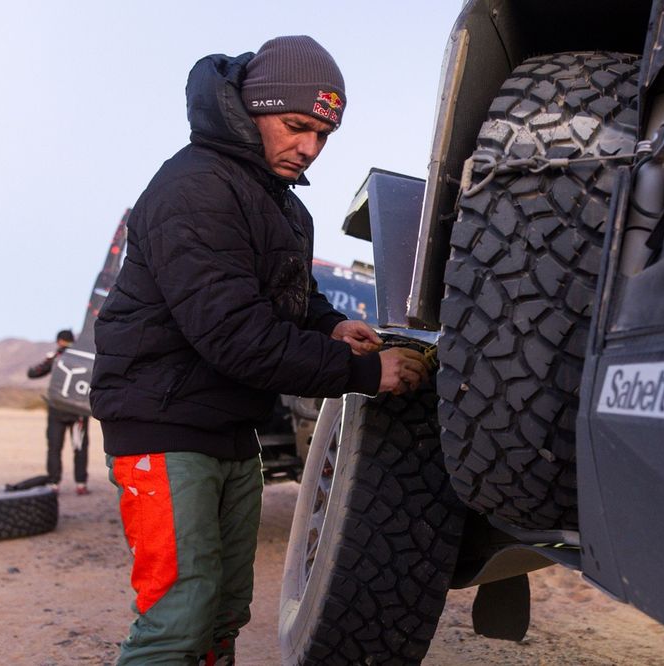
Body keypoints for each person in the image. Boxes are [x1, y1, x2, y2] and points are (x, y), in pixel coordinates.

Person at [89, 35, 428, 664]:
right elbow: (236, 335)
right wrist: (363, 371)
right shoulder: (195, 189)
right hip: (162, 425)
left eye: (323, 135)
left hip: (229, 425)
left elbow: (284, 298)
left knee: (223, 613)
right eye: (297, 126)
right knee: (177, 619)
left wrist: (330, 326)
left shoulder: (282, 206)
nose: (309, 147)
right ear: (252, 109)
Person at [27, 328, 90, 495]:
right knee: (79, 448)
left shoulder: (57, 358)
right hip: (79, 412)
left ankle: (54, 484)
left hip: (58, 410)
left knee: (54, 447)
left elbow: (33, 373)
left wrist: (49, 359)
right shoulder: (84, 358)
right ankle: (81, 484)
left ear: (59, 341)